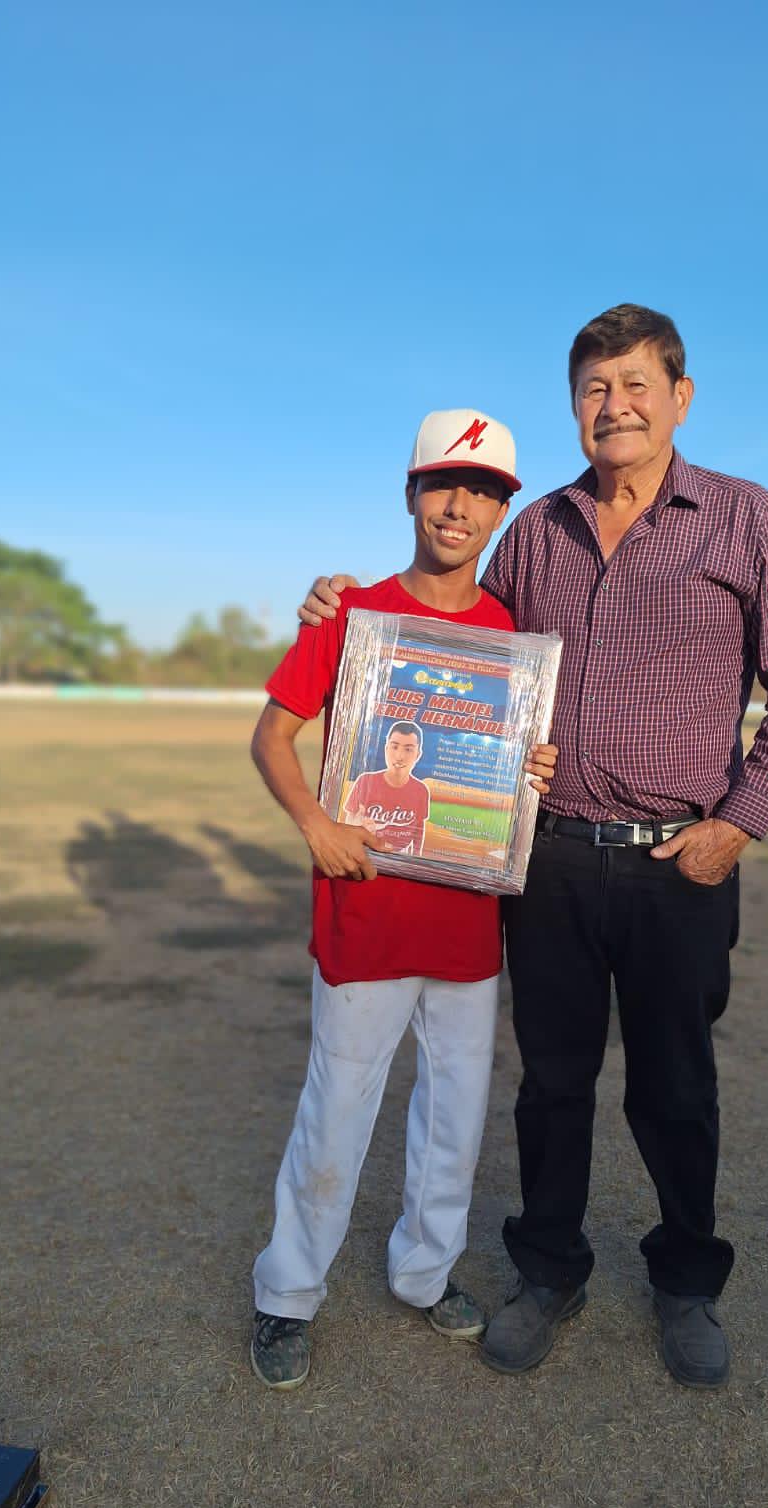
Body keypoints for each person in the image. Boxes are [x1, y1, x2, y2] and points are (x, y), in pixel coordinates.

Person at [297, 305, 768, 1388]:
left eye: (636, 384)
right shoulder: (537, 527)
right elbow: (452, 644)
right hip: (545, 859)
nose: (615, 405)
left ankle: (686, 1279)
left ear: (680, 397)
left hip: (677, 864)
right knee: (551, 1083)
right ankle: (549, 1269)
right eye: (595, 388)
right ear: (574, 407)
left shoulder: (744, 519)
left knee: (676, 1087)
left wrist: (735, 826)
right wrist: (345, 610)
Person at [249, 409, 558, 1390]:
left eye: (483, 491)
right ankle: (287, 1295)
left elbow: (511, 774)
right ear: (411, 492)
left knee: (453, 1118)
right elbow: (272, 735)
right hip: (365, 915)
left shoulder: (512, 635)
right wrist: (317, 825)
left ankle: (426, 1276)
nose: (459, 505)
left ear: (503, 509)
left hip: (468, 925)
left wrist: (531, 770)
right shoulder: (351, 614)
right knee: (336, 1112)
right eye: (442, 484)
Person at [343, 721, 430, 855]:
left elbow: (419, 827)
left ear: (418, 754)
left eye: (408, 749)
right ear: (386, 749)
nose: (399, 757)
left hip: (402, 858)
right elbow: (349, 819)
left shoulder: (421, 790)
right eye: (395, 747)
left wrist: (417, 859)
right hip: (364, 851)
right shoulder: (365, 781)